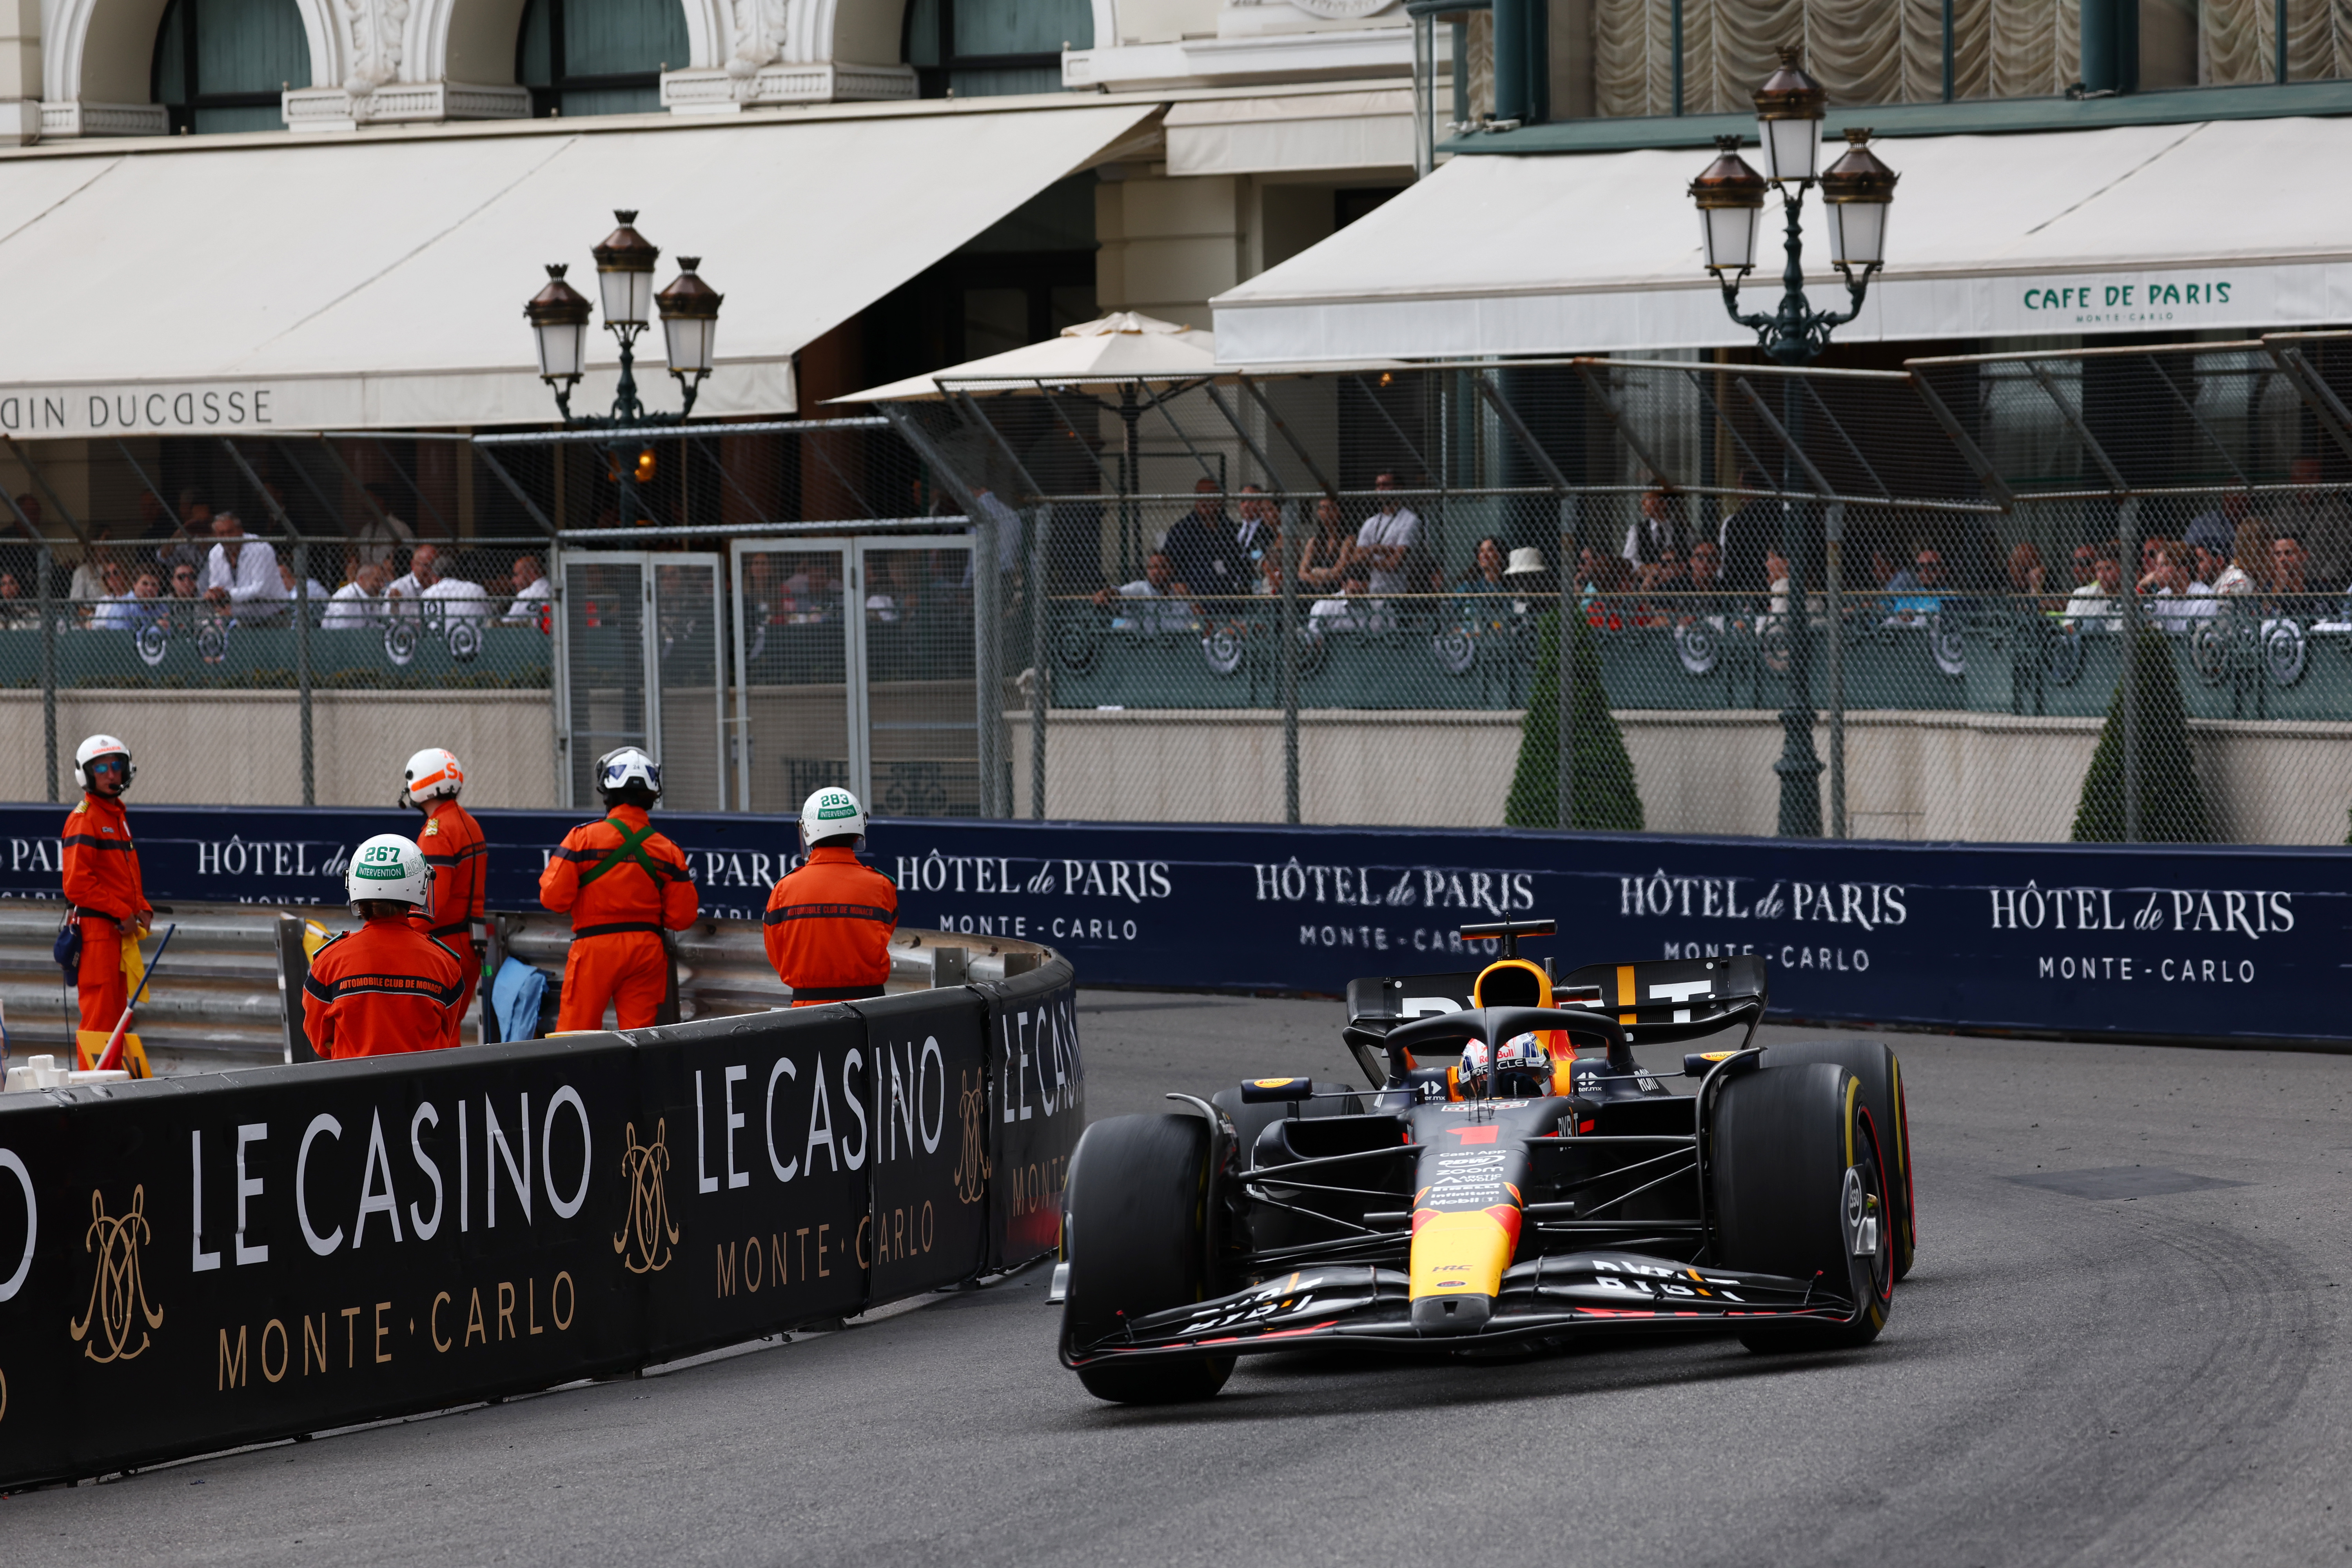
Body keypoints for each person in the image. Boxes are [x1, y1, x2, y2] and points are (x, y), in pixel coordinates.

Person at [537, 747, 700, 1033]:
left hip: (594, 950)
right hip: (647, 952)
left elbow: (553, 898)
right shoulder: (668, 850)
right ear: (652, 794)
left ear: (607, 791)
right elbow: (682, 917)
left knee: (575, 1038)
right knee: (639, 1040)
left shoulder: (582, 839)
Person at [302, 833, 464, 1059]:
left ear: (355, 886)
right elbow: (446, 1032)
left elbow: (320, 1041)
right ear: (420, 885)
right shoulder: (445, 964)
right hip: (423, 1090)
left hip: (355, 1088)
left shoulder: (328, 962)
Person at [763, 787, 898, 1005]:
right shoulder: (882, 886)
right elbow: (885, 934)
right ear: (858, 832)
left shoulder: (784, 889)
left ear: (808, 831)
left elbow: (776, 952)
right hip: (870, 1009)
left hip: (807, 1011)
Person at [60, 735, 151, 1047]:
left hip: (117, 935)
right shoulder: (84, 819)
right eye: (101, 769)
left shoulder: (116, 816)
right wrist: (123, 911)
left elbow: (123, 875)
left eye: (116, 766)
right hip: (99, 937)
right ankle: (94, 1092)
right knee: (100, 1026)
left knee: (117, 1025)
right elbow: (77, 885)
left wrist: (142, 906)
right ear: (87, 775)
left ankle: (115, 1092)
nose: (111, 774)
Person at [402, 748, 488, 1024]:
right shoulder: (469, 823)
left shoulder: (437, 831)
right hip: (470, 945)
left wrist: (397, 935)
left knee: (434, 1038)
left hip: (443, 948)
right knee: (448, 1033)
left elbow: (430, 905)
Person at [1161, 479, 1248, 599]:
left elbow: (1239, 561)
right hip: (1197, 594)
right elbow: (1170, 564)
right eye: (1200, 495)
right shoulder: (1182, 530)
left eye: (1211, 495)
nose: (1205, 501)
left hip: (1228, 594)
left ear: (1220, 500)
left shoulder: (1229, 528)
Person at [201, 512, 288, 622]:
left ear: (241, 531)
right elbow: (217, 584)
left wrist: (228, 595)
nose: (227, 538)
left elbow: (261, 590)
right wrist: (214, 593)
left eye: (230, 532)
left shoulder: (260, 548)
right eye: (222, 534)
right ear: (216, 536)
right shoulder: (215, 553)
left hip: (272, 617)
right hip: (239, 617)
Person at [1093, 550, 1196, 633]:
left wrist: (1191, 599)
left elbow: (1196, 623)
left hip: (1172, 644)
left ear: (1173, 570)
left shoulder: (1179, 593)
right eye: (1152, 568)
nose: (1156, 572)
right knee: (1119, 623)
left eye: (1163, 567)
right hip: (1138, 643)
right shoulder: (1140, 588)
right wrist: (1106, 593)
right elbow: (1118, 592)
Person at [1354, 472, 1419, 596]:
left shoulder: (1409, 520)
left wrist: (1368, 558)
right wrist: (1377, 549)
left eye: (1386, 485)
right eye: (1378, 486)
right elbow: (1356, 559)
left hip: (1398, 592)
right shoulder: (1371, 522)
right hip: (1372, 592)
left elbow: (1395, 563)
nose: (1381, 490)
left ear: (1399, 488)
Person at [2063, 541, 2123, 630]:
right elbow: (2069, 626)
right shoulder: (2082, 593)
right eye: (2099, 569)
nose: (2102, 575)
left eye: (2108, 569)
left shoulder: (2135, 595)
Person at [1622, 486, 1682, 568]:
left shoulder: (1682, 530)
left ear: (1663, 503)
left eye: (1648, 499)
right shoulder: (1637, 530)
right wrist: (1654, 568)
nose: (1643, 502)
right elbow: (1629, 560)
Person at [323, 561, 387, 629]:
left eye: (383, 581)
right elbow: (339, 629)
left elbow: (375, 625)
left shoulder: (372, 597)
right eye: (377, 580)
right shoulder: (347, 597)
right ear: (362, 579)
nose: (382, 585)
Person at [502, 555, 551, 624]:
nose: (513, 581)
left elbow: (507, 622)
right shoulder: (552, 588)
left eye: (517, 575)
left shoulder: (526, 595)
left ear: (532, 573)